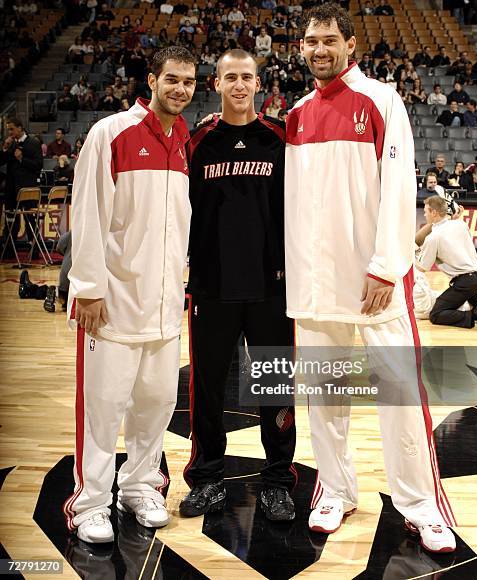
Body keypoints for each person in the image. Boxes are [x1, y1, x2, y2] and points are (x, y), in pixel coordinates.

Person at [285, 3, 456, 553]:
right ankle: (334, 489)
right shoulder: (297, 114)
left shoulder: (383, 100)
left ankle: (421, 504)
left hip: (374, 282)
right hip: (317, 285)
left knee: (400, 394)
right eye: (311, 41)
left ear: (350, 45)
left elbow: (399, 189)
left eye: (329, 40)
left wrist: (385, 265)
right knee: (325, 397)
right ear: (301, 48)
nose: (319, 50)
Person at [63, 46, 197, 544]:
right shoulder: (111, 133)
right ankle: (90, 502)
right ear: (152, 80)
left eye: (188, 81)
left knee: (157, 403)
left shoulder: (184, 139)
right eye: (172, 79)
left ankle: (139, 485)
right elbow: (89, 215)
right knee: (103, 407)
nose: (181, 89)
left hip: (165, 305)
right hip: (114, 302)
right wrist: (89, 290)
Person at [179, 49, 296, 522]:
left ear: (259, 83)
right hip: (212, 286)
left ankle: (277, 482)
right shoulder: (199, 141)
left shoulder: (278, 139)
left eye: (247, 77)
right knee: (207, 390)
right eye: (231, 77)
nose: (240, 85)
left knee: (275, 389)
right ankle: (207, 479)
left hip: (271, 286)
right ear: (217, 83)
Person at [416, 196, 477, 327]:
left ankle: (475, 315)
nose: (424, 214)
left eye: (426, 211)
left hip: (465, 282)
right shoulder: (460, 224)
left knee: (436, 314)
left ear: (434, 212)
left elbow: (422, 268)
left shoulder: (433, 238)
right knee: (470, 296)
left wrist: (410, 257)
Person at [0, 117, 43, 258]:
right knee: (11, 220)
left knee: (31, 219)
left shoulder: (33, 143)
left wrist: (21, 159)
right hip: (11, 189)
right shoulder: (11, 144)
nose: (9, 132)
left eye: (11, 128)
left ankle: (34, 249)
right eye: (8, 129)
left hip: (27, 189)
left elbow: (38, 166)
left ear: (20, 128)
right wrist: (5, 148)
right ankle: (9, 249)